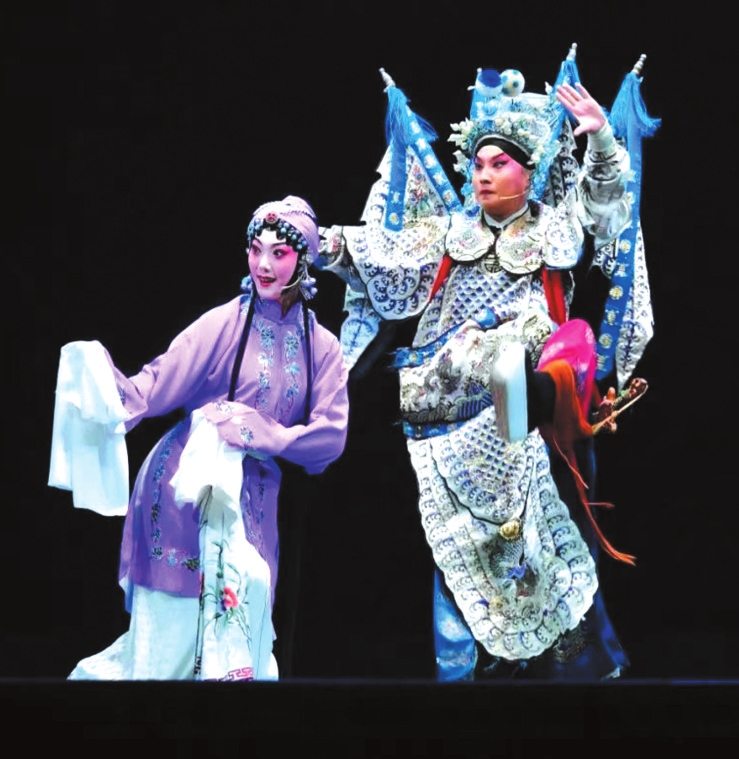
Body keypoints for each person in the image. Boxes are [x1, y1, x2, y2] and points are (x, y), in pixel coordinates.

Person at [315, 55, 655, 680]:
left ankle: (559, 665)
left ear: (529, 171)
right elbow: (383, 255)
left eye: (499, 164)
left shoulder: (556, 226)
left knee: (539, 532)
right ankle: (462, 671)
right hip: (451, 405)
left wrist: (603, 138)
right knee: (459, 539)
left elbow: (609, 211)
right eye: (477, 164)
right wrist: (326, 242)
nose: (483, 175)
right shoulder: (449, 230)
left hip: (528, 405)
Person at [48, 196, 349, 681]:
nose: (263, 265)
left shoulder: (322, 347)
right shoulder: (224, 323)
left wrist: (265, 433)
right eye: (255, 250)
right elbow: (159, 381)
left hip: (253, 497)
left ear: (304, 259)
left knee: (247, 614)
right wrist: (108, 392)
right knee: (168, 649)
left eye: (278, 253)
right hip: (184, 486)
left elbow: (329, 438)